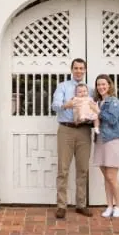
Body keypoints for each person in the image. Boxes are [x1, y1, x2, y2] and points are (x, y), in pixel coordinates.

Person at [50, 58, 94, 219]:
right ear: (71, 69)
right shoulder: (63, 86)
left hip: (84, 131)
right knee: (63, 169)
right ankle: (61, 205)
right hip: (66, 130)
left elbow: (94, 107)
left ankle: (81, 204)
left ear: (85, 70)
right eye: (76, 68)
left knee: (83, 169)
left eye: (81, 68)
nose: (78, 71)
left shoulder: (90, 89)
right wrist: (65, 105)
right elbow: (54, 106)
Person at [92, 74, 119, 218]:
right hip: (100, 140)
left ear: (109, 85)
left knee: (112, 176)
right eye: (99, 84)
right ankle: (109, 206)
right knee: (106, 177)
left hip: (112, 140)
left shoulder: (114, 101)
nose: (101, 87)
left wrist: (98, 112)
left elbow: (112, 119)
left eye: (104, 84)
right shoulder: (98, 102)